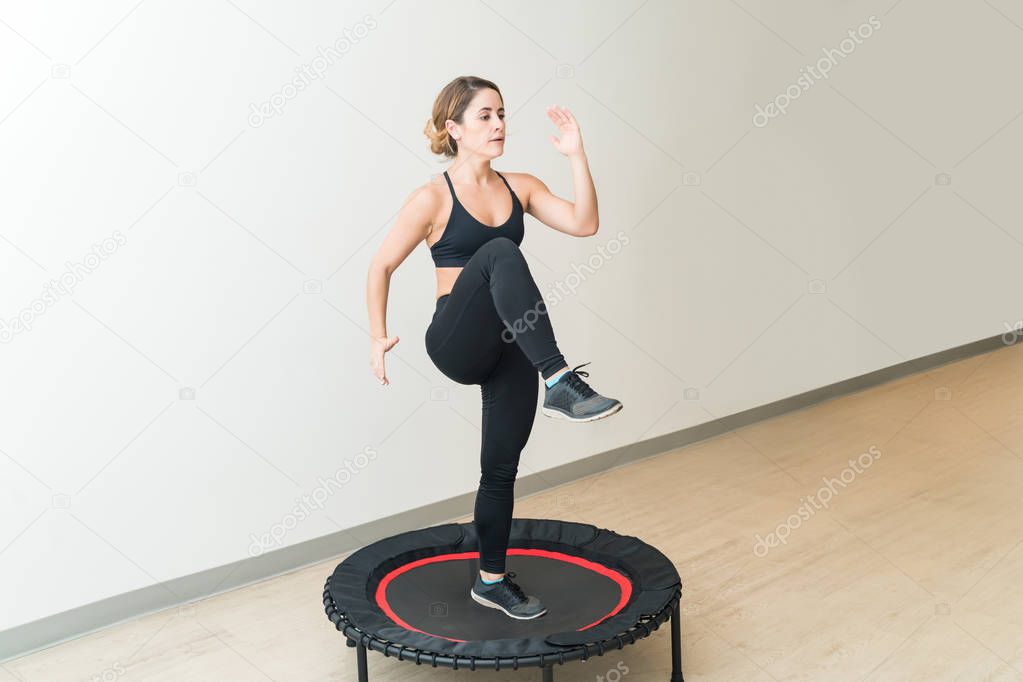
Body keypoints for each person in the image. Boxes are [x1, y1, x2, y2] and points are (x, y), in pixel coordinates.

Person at [366, 76, 622, 620]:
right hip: (455, 339)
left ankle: (491, 580)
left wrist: (577, 156)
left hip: (512, 344)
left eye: (501, 113)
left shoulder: (520, 187)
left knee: (500, 469)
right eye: (484, 116)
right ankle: (560, 382)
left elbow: (586, 222)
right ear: (453, 130)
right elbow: (381, 265)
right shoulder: (432, 197)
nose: (499, 124)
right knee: (500, 251)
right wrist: (377, 335)